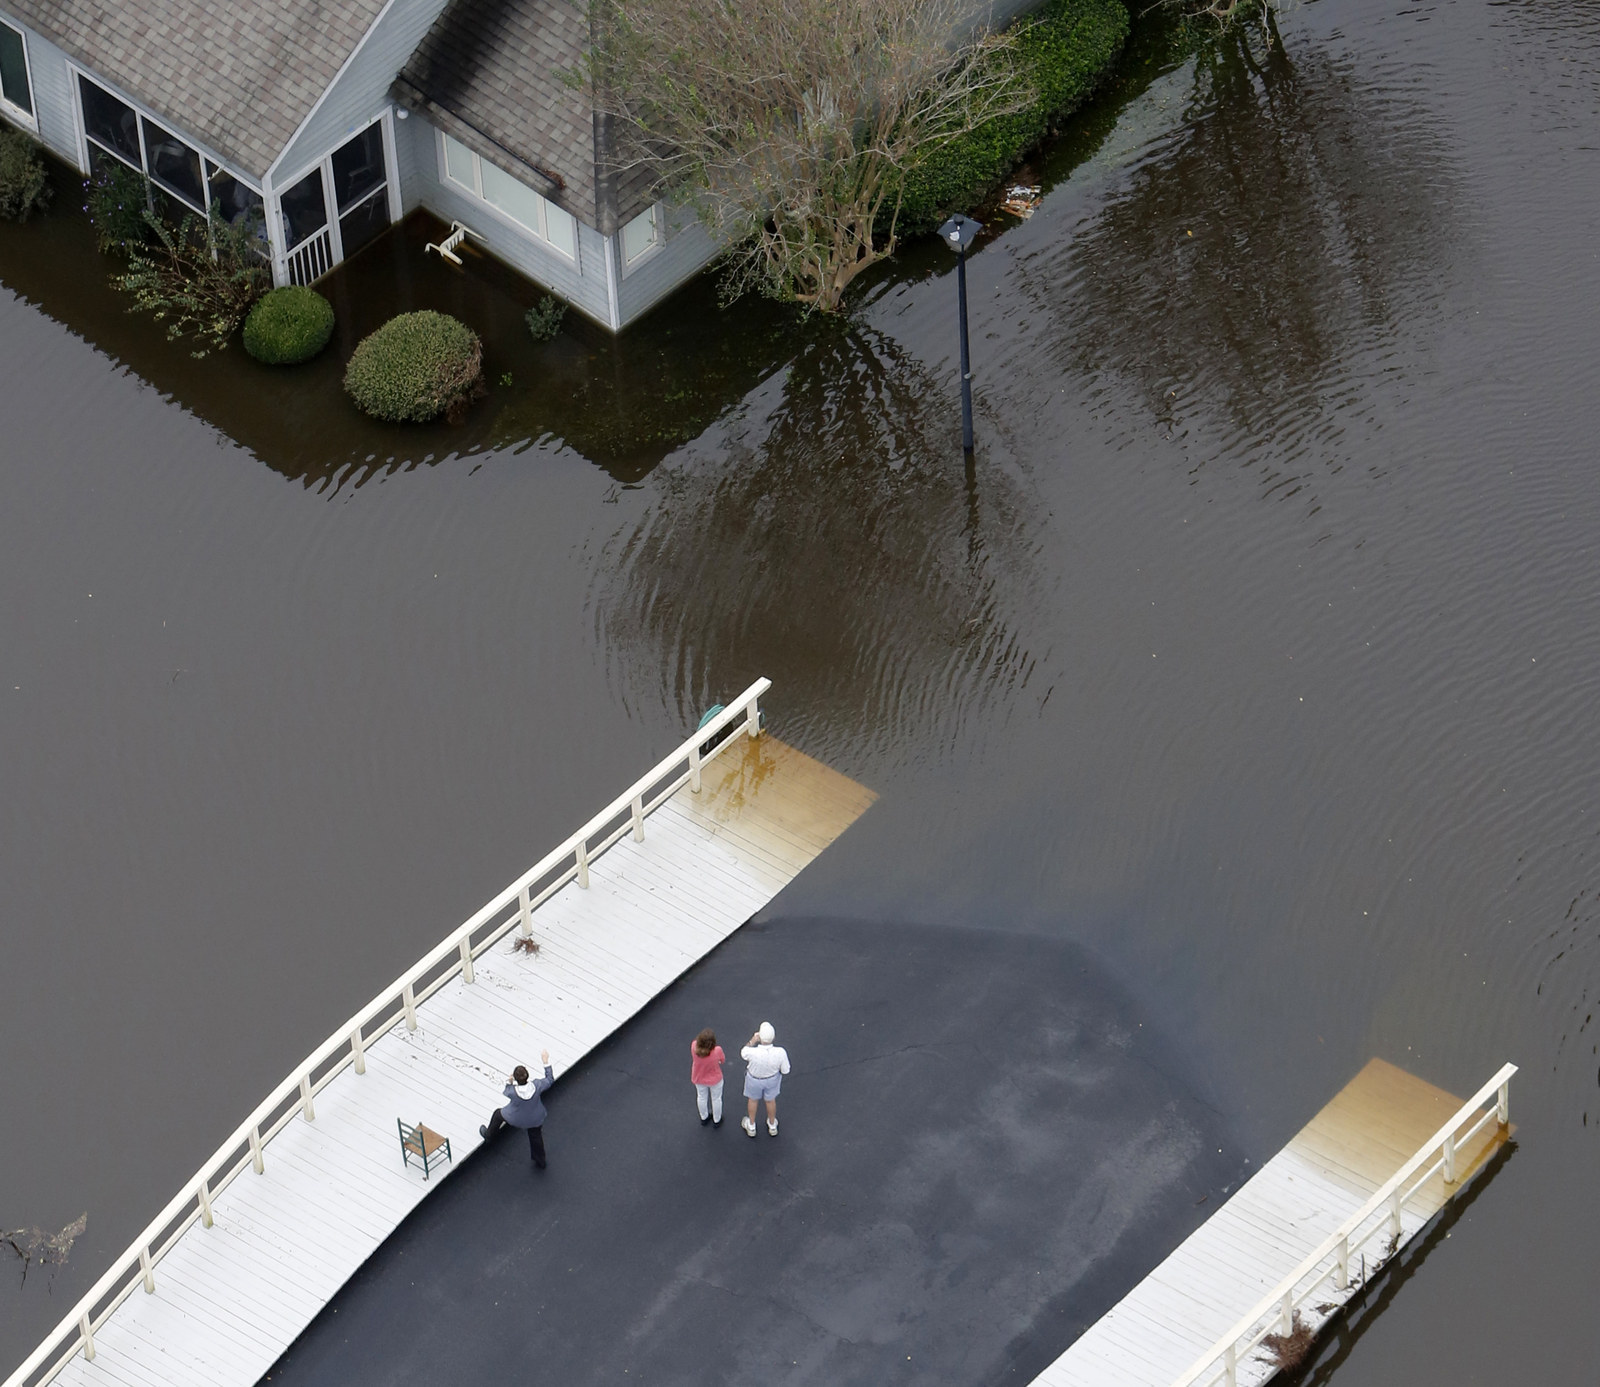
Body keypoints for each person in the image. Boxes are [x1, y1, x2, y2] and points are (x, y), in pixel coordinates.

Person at [479, 1049, 553, 1168]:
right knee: (536, 1136)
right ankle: (540, 1160)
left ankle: (489, 1135)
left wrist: (509, 1081)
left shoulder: (513, 1091)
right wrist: (545, 1061)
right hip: (535, 1118)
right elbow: (549, 1079)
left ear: (516, 1078)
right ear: (527, 1076)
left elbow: (506, 1091)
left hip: (517, 1118)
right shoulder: (537, 1085)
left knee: (498, 1114)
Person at [740, 1022, 790, 1138]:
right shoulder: (780, 1052)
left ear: (760, 1037)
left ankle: (751, 1125)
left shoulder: (753, 1052)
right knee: (770, 1100)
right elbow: (785, 1070)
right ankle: (772, 1125)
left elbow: (743, 1052)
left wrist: (753, 1040)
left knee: (752, 1100)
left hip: (754, 1079)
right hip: (772, 1080)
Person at [691, 1028, 726, 1127]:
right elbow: (722, 1060)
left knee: (701, 1097)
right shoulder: (717, 1051)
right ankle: (717, 1119)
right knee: (716, 1099)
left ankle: (704, 1117)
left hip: (699, 1077)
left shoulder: (693, 1046)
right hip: (715, 1080)